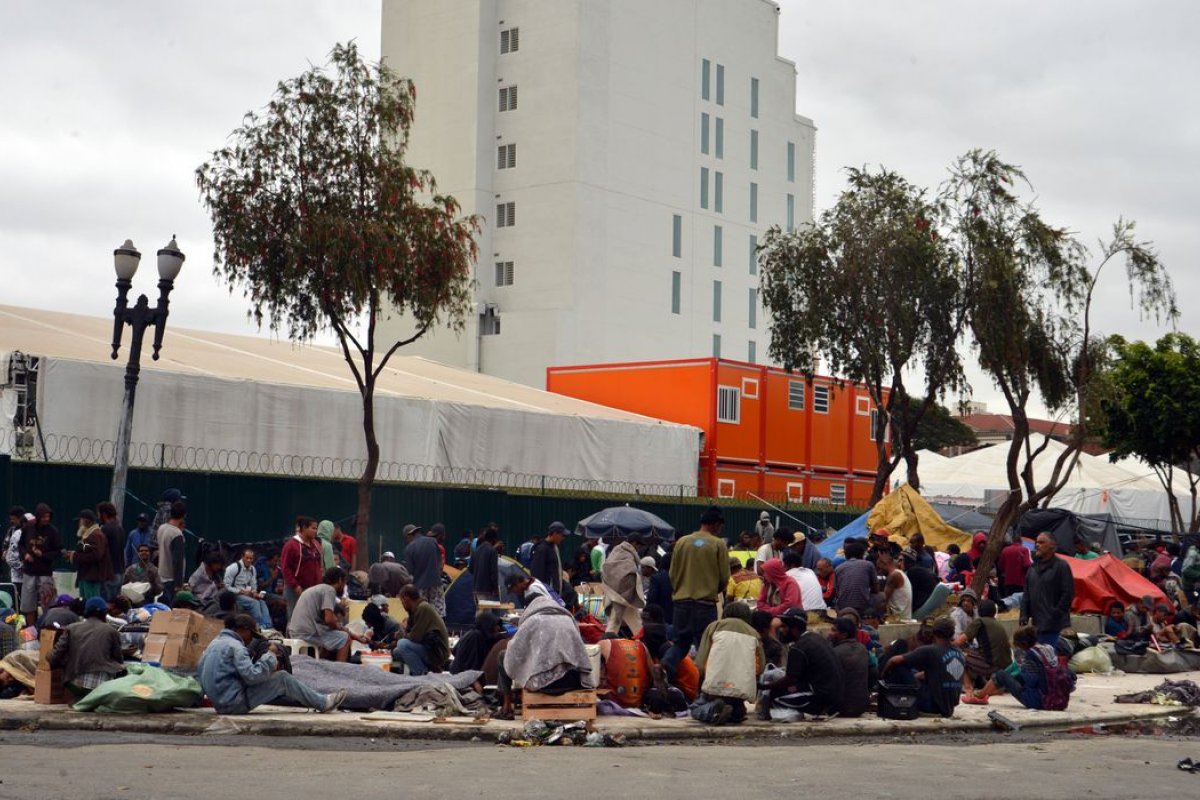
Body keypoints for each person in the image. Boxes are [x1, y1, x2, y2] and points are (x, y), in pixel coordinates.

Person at [198, 613, 345, 714]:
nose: (251, 640)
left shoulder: (213, 644)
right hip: (234, 703)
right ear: (242, 630)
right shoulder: (236, 647)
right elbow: (252, 676)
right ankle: (322, 703)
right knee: (282, 678)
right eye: (252, 635)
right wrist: (270, 655)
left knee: (276, 677)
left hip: (220, 703)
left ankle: (318, 700)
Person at [496, 593, 596, 719]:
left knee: (502, 656)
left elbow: (514, 653)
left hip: (544, 685)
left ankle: (507, 707)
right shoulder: (568, 619)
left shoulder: (532, 621)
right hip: (575, 681)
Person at [663, 507, 730, 681]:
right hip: (705, 605)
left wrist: (681, 590)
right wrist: (713, 589)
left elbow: (672, 574)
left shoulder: (682, 542)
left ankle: (665, 668)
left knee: (680, 644)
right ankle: (701, 685)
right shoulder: (718, 544)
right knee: (706, 647)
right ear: (716, 525)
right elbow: (724, 577)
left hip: (681, 603)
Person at [690, 601, 764, 725]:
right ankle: (736, 712)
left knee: (695, 709)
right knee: (736, 710)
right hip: (740, 691)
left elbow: (701, 663)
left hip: (715, 688)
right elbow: (760, 667)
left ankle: (714, 708)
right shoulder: (754, 633)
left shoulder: (714, 626)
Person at [764, 608, 844, 717]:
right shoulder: (816, 638)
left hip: (823, 699)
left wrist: (765, 687)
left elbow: (789, 679)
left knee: (775, 697)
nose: (782, 630)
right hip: (834, 696)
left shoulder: (799, 647)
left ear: (795, 628)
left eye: (785, 627)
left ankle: (817, 711)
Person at [882, 616, 966, 718]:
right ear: (952, 634)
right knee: (913, 671)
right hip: (949, 706)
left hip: (932, 706)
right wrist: (916, 675)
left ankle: (886, 696)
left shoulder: (929, 650)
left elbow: (893, 660)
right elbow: (941, 672)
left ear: (934, 632)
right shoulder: (959, 652)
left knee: (898, 667)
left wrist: (882, 678)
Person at [975, 625, 1072, 710]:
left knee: (1001, 675)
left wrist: (1020, 673)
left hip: (1040, 701)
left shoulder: (1031, 654)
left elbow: (1031, 681)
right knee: (1011, 676)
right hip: (1059, 700)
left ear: (1024, 644)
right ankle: (985, 693)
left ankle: (979, 696)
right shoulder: (1048, 648)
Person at [48, 597, 125, 699]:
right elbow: (119, 659)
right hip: (103, 685)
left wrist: (48, 656)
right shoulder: (112, 631)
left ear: (86, 612)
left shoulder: (71, 628)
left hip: (75, 684)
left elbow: (55, 656)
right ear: (104, 613)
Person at [287, 568, 368, 661]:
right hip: (307, 632)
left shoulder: (317, 589)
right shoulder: (329, 590)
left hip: (295, 629)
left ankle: (321, 665)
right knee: (344, 638)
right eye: (344, 582)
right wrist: (345, 631)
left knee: (332, 636)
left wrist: (357, 637)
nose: (345, 585)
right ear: (340, 580)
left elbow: (330, 620)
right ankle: (341, 672)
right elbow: (329, 620)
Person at [1020, 533, 1075, 648]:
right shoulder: (1032, 568)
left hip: (1055, 627)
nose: (1037, 545)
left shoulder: (1061, 566)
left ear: (1052, 546)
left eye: (1041, 542)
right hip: (1037, 626)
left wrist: (1055, 613)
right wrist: (1024, 615)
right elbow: (1026, 594)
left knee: (1051, 660)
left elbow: (1067, 594)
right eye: (1037, 542)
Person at [957, 599, 1012, 704]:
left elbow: (959, 641)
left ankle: (969, 690)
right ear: (994, 612)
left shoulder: (979, 621)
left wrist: (944, 644)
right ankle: (990, 689)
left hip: (990, 665)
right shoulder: (997, 624)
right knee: (976, 653)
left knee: (958, 655)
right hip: (1004, 667)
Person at [394, 584, 451, 675]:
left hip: (437, 653)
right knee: (397, 652)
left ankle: (421, 674)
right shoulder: (414, 610)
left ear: (406, 598)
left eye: (402, 601)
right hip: (428, 648)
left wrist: (402, 633)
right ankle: (403, 674)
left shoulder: (423, 608)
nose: (402, 604)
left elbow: (415, 637)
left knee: (402, 644)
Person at [19, 503, 62, 618]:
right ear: (38, 516)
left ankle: (47, 629)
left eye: (48, 516)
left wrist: (43, 554)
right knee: (28, 605)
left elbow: (58, 551)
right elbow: (21, 545)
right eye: (43, 517)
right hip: (29, 571)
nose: (46, 519)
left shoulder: (53, 531)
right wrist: (25, 554)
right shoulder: (28, 528)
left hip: (45, 572)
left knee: (48, 603)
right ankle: (30, 631)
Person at [600, 533, 646, 635]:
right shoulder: (626, 554)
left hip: (615, 591)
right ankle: (642, 639)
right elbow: (624, 572)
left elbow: (607, 569)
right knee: (618, 621)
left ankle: (642, 638)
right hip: (622, 593)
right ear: (634, 543)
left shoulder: (616, 550)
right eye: (639, 545)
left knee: (620, 620)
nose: (639, 548)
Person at [281, 516, 323, 620]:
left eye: (316, 528)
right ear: (304, 528)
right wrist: (295, 586)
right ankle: (291, 636)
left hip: (313, 588)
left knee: (312, 617)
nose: (315, 531)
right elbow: (285, 568)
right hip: (295, 589)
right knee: (295, 616)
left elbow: (319, 566)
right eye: (313, 528)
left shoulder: (316, 544)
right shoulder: (291, 545)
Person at [829, 615, 870, 718]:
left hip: (839, 708)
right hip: (861, 707)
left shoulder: (835, 652)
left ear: (844, 634)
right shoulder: (863, 649)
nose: (830, 634)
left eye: (834, 631)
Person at [66, 509, 112, 601]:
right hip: (85, 575)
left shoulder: (96, 535)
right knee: (84, 602)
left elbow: (96, 555)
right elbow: (87, 551)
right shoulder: (88, 535)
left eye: (81, 520)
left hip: (92, 576)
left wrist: (75, 556)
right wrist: (74, 554)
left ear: (87, 521)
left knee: (92, 603)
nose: (79, 523)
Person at [224, 549, 273, 630]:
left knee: (261, 601)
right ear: (242, 557)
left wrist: (254, 593)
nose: (249, 560)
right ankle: (258, 626)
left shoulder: (252, 569)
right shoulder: (233, 568)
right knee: (254, 603)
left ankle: (268, 625)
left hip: (247, 594)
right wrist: (241, 592)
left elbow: (253, 584)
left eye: (251, 558)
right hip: (236, 594)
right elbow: (227, 586)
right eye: (247, 558)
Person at [404, 525, 446, 616]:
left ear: (409, 536)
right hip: (436, 583)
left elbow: (410, 571)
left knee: (422, 613)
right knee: (438, 613)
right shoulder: (433, 541)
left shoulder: (409, 548)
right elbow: (440, 563)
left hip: (420, 586)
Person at [450, 610, 505, 675]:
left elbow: (454, 651)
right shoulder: (475, 637)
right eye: (495, 625)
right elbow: (471, 665)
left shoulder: (476, 634)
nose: (498, 628)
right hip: (464, 678)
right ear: (488, 625)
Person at [156, 501, 187, 606]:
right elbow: (177, 561)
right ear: (183, 516)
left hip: (161, 575)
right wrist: (179, 584)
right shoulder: (177, 534)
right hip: (171, 579)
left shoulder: (162, 528)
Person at [833, 540, 876, 615]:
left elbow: (836, 592)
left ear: (846, 556)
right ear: (862, 555)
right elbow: (876, 589)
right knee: (881, 596)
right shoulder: (868, 565)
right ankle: (875, 617)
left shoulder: (838, 568)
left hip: (843, 607)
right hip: (863, 606)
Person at [96, 502, 126, 602]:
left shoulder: (104, 529)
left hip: (109, 574)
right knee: (114, 606)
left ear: (103, 514)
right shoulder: (120, 528)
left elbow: (99, 551)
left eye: (98, 514)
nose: (98, 516)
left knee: (105, 606)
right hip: (120, 572)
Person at [530, 522, 568, 597]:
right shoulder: (542, 549)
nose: (563, 538)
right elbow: (537, 574)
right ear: (554, 534)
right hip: (547, 593)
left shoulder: (554, 547)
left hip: (555, 592)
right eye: (562, 535)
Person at [470, 528, 501, 604]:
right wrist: (495, 588)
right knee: (486, 614)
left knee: (478, 612)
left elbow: (470, 568)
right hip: (486, 590)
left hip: (476, 588)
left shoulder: (476, 550)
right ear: (494, 539)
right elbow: (493, 572)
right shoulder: (492, 551)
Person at [902, 548, 938, 613]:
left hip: (921, 604)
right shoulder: (920, 570)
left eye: (901, 560)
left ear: (907, 561)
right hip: (926, 602)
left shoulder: (913, 571)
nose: (899, 563)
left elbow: (910, 593)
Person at [879, 553, 912, 621]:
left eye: (879, 568)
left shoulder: (894, 576)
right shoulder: (900, 573)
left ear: (885, 564)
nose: (880, 571)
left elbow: (884, 600)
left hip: (899, 619)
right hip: (904, 617)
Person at [3, 506, 25, 587]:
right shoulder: (11, 530)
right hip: (14, 572)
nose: (12, 521)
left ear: (21, 518)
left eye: (14, 519)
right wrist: (5, 552)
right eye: (11, 519)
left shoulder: (28, 530)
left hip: (27, 572)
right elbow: (5, 544)